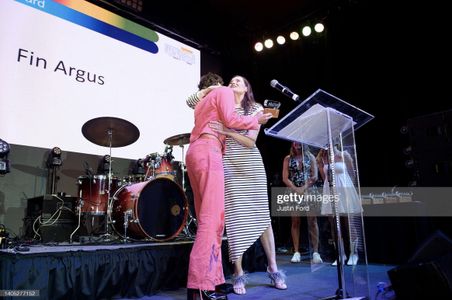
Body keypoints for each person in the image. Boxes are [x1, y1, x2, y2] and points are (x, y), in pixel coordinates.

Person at [188, 75, 287, 295]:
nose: (233, 84)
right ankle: (237, 273)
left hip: (249, 165)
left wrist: (227, 131)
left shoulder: (254, 108)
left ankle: (273, 268)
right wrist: (210, 89)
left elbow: (250, 141)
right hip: (226, 164)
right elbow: (191, 100)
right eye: (230, 81)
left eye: (239, 81)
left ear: (247, 88)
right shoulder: (219, 98)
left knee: (261, 216)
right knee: (232, 217)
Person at [317, 145, 362, 266]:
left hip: (344, 189)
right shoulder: (322, 158)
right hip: (330, 190)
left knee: (349, 223)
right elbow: (324, 177)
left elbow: (352, 174)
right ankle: (341, 254)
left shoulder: (344, 155)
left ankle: (354, 253)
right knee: (334, 225)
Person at [282, 142, 323, 264]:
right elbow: (285, 178)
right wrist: (296, 189)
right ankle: (296, 252)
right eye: (294, 142)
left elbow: (315, 176)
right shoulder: (288, 158)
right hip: (293, 192)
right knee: (295, 221)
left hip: (309, 191)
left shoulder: (310, 157)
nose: (297, 144)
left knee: (312, 221)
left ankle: (316, 252)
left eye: (299, 142)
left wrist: (303, 187)